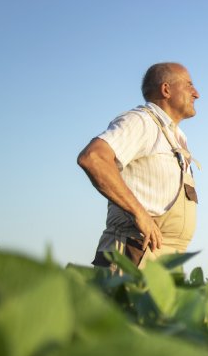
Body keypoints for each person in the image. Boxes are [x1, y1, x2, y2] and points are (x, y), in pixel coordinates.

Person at [78, 62, 201, 268]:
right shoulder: (142, 121)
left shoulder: (176, 136)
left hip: (163, 260)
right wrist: (139, 213)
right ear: (166, 89)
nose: (196, 93)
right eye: (189, 85)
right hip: (133, 254)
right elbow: (93, 158)